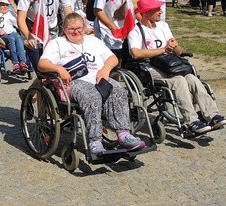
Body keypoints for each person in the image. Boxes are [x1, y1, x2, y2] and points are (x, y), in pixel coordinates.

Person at [38, 13, 146, 155]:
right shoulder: (57, 43)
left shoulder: (93, 41)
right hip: (74, 82)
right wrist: (59, 69)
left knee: (119, 91)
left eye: (79, 28)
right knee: (92, 96)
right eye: (71, 29)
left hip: (99, 78)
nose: (76, 31)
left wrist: (106, 68)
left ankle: (124, 134)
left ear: (84, 28)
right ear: (64, 29)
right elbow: (42, 64)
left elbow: (112, 58)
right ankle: (95, 140)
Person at [128, 0, 226, 134]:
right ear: (146, 12)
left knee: (192, 79)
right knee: (179, 81)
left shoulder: (163, 26)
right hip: (149, 67)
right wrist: (163, 49)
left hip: (168, 65)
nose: (161, 11)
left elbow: (176, 48)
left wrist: (176, 48)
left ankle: (212, 115)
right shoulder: (136, 31)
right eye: (157, 9)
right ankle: (191, 121)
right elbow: (136, 53)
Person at [0, 0, 28, 73]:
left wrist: (14, 9)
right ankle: (15, 63)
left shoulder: (10, 13)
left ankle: (22, 62)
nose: (5, 6)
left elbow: (19, 23)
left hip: (12, 33)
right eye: (2, 5)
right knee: (11, 39)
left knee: (18, 38)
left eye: (6, 5)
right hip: (0, 35)